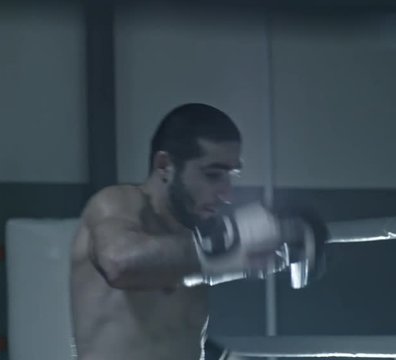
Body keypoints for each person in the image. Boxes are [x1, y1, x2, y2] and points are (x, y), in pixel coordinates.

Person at [69, 103, 307, 360]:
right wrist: (234, 241)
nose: (226, 194)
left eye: (231, 176)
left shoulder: (190, 243)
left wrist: (277, 247)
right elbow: (120, 263)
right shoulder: (117, 202)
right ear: (164, 166)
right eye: (213, 175)